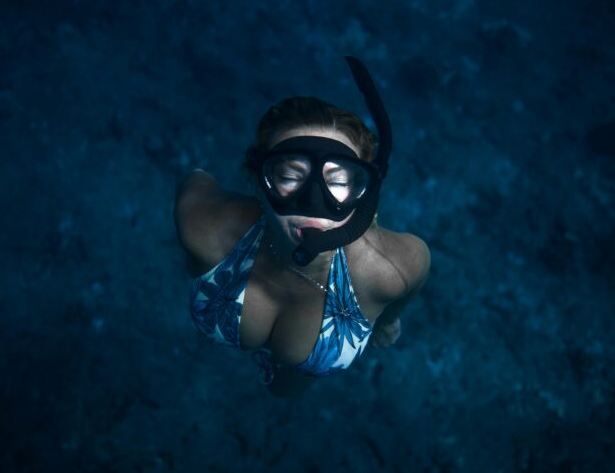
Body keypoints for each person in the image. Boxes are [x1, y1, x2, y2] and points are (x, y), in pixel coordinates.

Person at [174, 58, 430, 398]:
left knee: (288, 389)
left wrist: (387, 320)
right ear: (258, 181)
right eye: (291, 176)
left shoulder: (391, 271)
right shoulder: (201, 226)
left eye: (338, 181)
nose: (312, 202)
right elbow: (197, 180)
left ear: (365, 196)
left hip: (293, 369)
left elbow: (407, 290)